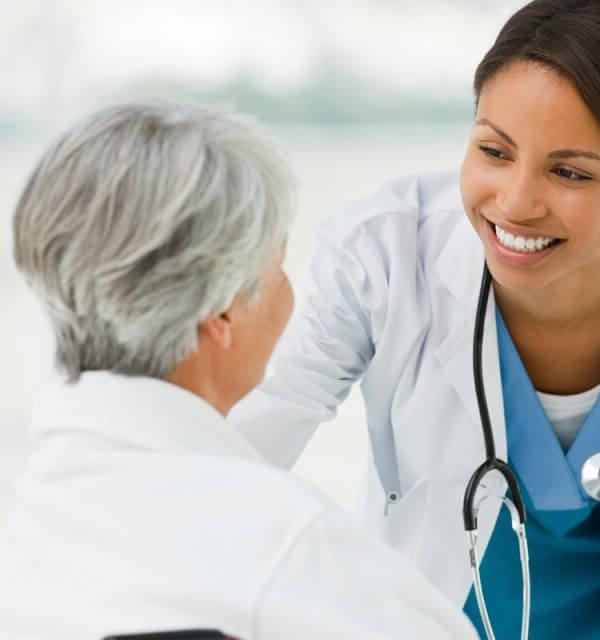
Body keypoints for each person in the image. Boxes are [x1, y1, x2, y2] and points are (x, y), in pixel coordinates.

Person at [232, 1, 600, 638]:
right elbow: (241, 444)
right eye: (494, 151)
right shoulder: (381, 256)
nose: (515, 202)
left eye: (568, 172)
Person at [0, 102, 478, 640]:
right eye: (278, 268)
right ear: (224, 310)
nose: (291, 293)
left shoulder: (32, 531)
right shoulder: (289, 548)